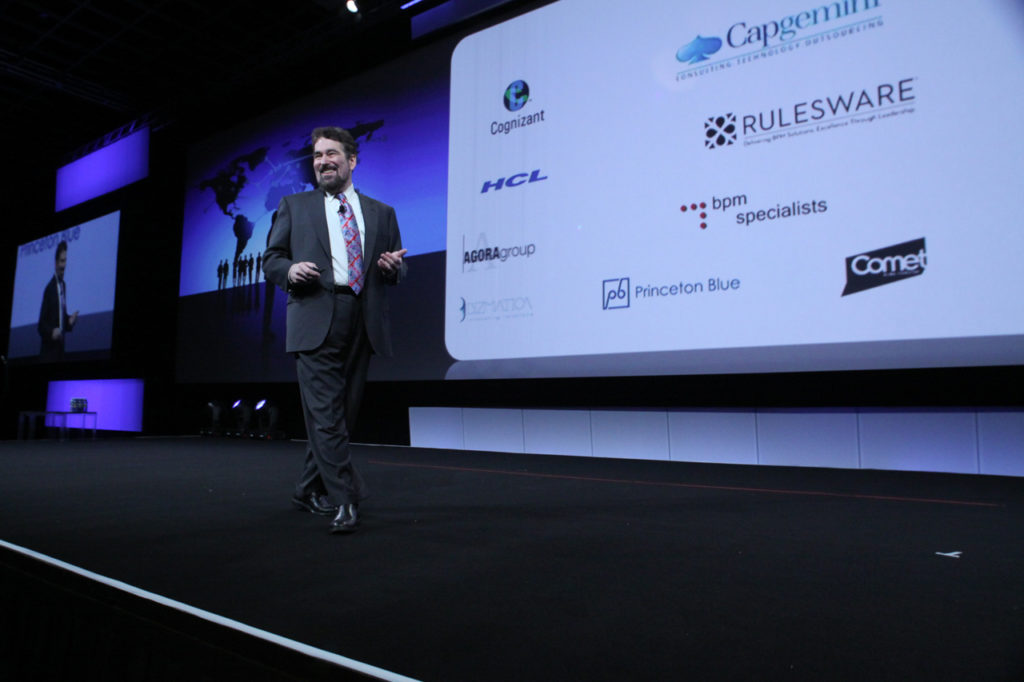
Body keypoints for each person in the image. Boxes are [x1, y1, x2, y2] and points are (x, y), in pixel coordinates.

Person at [263, 126, 407, 534]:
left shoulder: (382, 212)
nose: (322, 161)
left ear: (352, 160)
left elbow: (397, 267)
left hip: (364, 318)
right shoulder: (295, 205)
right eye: (317, 155)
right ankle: (346, 499)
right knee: (327, 417)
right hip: (315, 316)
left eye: (331, 154)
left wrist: (393, 269)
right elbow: (271, 259)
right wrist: (290, 269)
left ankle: (306, 489)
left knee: (340, 415)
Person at [37, 240, 79, 361]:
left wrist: (69, 321)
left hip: (60, 352)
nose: (64, 265)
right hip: (48, 354)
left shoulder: (63, 285)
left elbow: (60, 318)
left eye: (65, 261)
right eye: (61, 261)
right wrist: (51, 333)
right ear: (56, 263)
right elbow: (41, 325)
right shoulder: (49, 289)